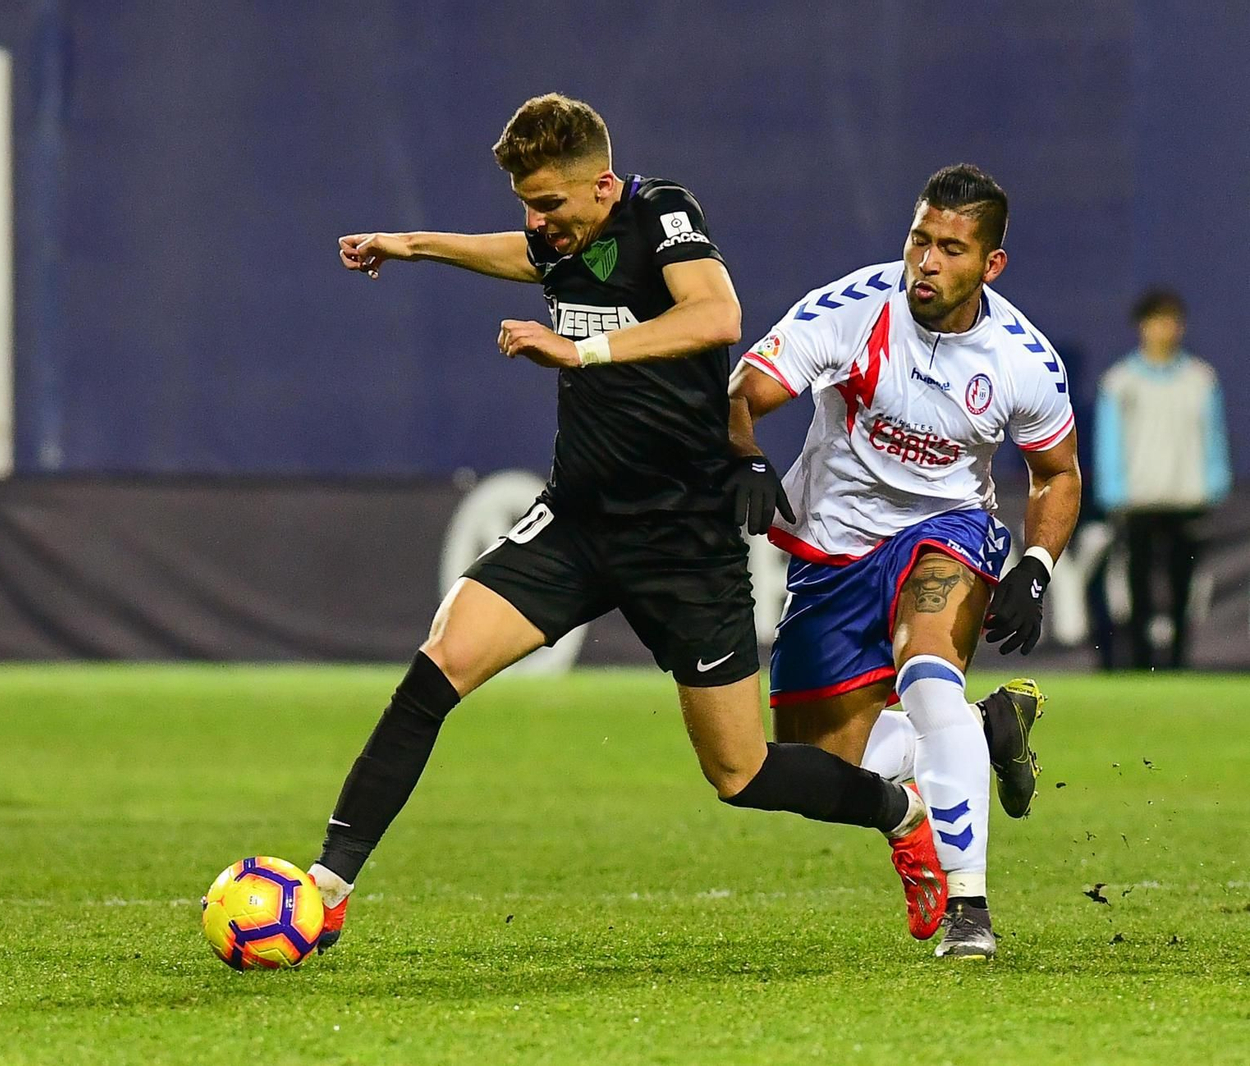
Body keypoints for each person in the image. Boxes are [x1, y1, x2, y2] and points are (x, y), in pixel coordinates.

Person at [307, 93, 949, 956]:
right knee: (437, 667)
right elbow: (527, 255)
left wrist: (583, 351)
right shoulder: (563, 237)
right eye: (526, 207)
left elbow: (716, 315)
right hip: (577, 521)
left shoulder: (660, 211)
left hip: (684, 539)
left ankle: (900, 811)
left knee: (740, 772)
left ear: (603, 185)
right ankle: (327, 887)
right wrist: (414, 244)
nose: (537, 224)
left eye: (549, 206)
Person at [728, 164, 1083, 958]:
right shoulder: (852, 308)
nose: (926, 261)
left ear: (990, 265)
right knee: (813, 769)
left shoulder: (1023, 359)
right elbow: (744, 391)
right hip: (833, 544)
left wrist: (1034, 565)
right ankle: (988, 726)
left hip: (946, 531)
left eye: (951, 248)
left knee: (928, 679)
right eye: (920, 239)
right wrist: (746, 458)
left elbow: (1057, 473)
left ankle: (971, 911)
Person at [1094, 289, 1231, 670]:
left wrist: (1214, 483)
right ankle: (1139, 662)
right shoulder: (1120, 382)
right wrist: (1114, 491)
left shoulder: (1200, 379)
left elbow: (1213, 436)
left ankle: (1177, 662)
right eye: (1156, 321)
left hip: (1187, 501)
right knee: (1136, 588)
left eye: (1171, 321)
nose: (1163, 330)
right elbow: (1109, 441)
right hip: (1137, 502)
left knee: (1183, 587)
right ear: (1142, 326)